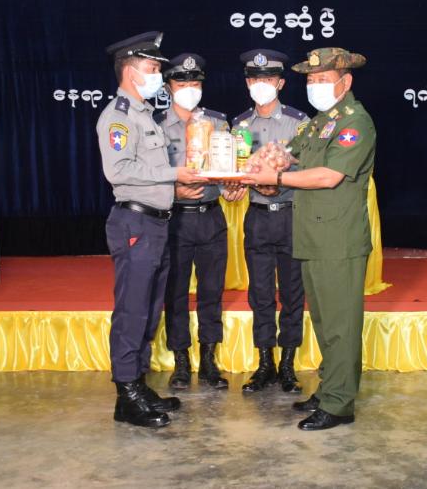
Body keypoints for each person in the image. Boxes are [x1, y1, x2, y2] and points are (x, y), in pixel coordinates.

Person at [242, 47, 375, 431]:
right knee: (323, 320)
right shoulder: (319, 123)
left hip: (338, 241)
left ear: (345, 82)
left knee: (340, 325)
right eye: (311, 80)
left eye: (323, 80)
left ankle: (339, 404)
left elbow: (328, 177)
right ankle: (329, 387)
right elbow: (289, 153)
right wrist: (268, 159)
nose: (315, 86)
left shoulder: (355, 122)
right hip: (313, 236)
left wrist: (275, 178)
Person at [97, 31, 203, 428]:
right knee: (132, 309)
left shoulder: (143, 115)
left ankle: (138, 385)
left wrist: (175, 186)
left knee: (149, 308)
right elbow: (119, 170)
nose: (158, 74)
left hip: (157, 222)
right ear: (130, 71)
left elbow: (150, 172)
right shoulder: (119, 116)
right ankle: (126, 392)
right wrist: (174, 174)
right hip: (135, 222)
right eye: (152, 67)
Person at [156, 53, 247, 390]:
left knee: (211, 291)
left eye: (195, 83)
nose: (190, 88)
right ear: (169, 87)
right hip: (174, 219)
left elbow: (228, 170)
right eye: (182, 83)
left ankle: (209, 359)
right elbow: (148, 174)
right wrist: (173, 191)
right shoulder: (155, 125)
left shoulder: (218, 124)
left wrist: (231, 189)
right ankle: (181, 361)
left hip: (210, 217)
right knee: (175, 292)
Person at [232, 49, 309, 394]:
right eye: (255, 79)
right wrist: (235, 185)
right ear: (248, 83)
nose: (261, 84)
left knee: (293, 293)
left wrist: (279, 174)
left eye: (268, 79)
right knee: (260, 294)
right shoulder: (239, 126)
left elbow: (310, 167)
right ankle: (265, 364)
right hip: (258, 217)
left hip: (291, 214)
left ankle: (288, 365)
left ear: (280, 83)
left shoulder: (299, 122)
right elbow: (233, 169)